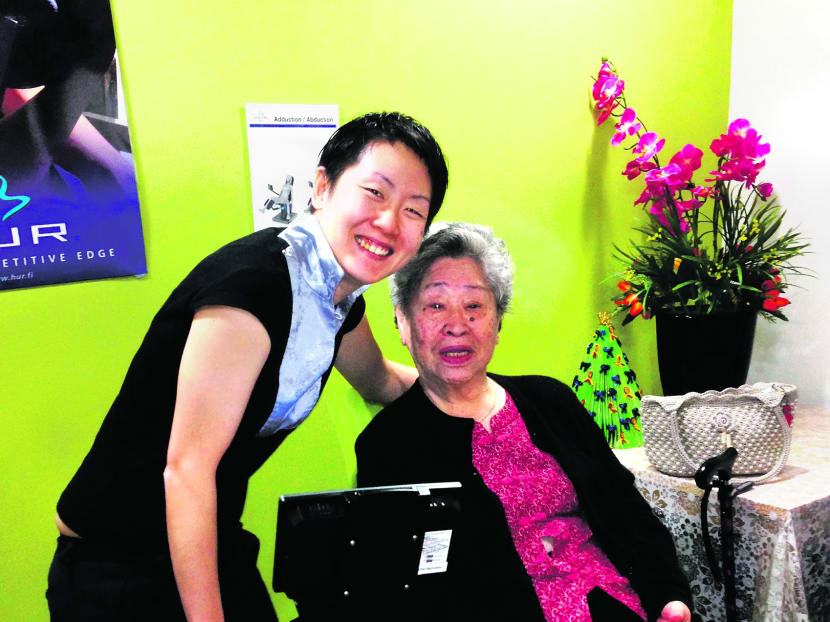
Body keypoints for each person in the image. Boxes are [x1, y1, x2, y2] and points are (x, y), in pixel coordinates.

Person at [46, 111, 448, 622]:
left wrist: (491, 393)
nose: (389, 222)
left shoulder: (336, 298)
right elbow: (187, 471)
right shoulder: (253, 287)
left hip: (207, 539)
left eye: (414, 210)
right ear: (322, 187)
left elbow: (381, 381)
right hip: (115, 564)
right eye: (374, 192)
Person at [355, 223, 696, 622]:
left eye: (474, 306)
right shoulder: (387, 445)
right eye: (435, 306)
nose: (457, 324)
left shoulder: (551, 400)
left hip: (613, 602)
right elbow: (406, 588)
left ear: (497, 322)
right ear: (403, 322)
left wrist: (670, 596)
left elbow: (628, 513)